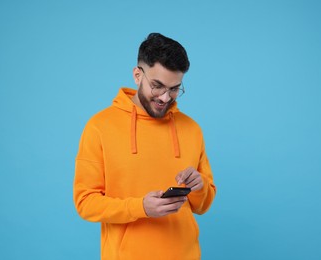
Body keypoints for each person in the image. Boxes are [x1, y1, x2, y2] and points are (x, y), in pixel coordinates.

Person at [73, 33, 216, 260]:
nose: (165, 97)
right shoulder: (99, 127)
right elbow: (85, 203)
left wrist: (199, 187)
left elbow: (203, 206)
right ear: (137, 75)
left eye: (174, 88)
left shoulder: (192, 129)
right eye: (157, 86)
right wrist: (140, 208)